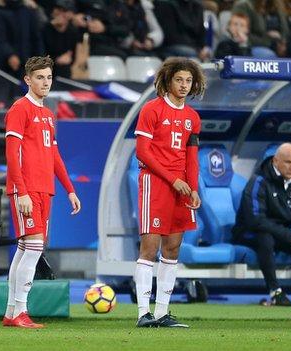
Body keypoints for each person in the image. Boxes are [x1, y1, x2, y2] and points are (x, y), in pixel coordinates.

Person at [3, 56, 81, 329]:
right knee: (33, 247)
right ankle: (20, 311)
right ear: (27, 79)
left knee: (27, 248)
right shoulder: (19, 109)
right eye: (39, 77)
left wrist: (69, 189)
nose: (45, 82)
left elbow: (54, 154)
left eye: (48, 77)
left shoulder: (47, 114)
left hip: (44, 189)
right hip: (26, 189)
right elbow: (12, 154)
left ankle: (11, 311)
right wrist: (21, 191)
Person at [133, 57, 206, 328]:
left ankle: (162, 312)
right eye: (179, 80)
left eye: (188, 80)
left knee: (173, 249)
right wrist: (173, 179)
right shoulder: (151, 110)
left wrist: (193, 188)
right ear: (168, 80)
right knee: (149, 248)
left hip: (181, 189)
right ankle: (143, 313)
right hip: (156, 183)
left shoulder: (193, 118)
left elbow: (192, 158)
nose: (184, 85)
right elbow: (142, 152)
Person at [232, 144, 291, 307]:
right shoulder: (258, 181)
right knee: (265, 237)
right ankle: (275, 292)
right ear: (276, 161)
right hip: (249, 234)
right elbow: (255, 220)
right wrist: (288, 235)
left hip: (280, 234)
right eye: (289, 162)